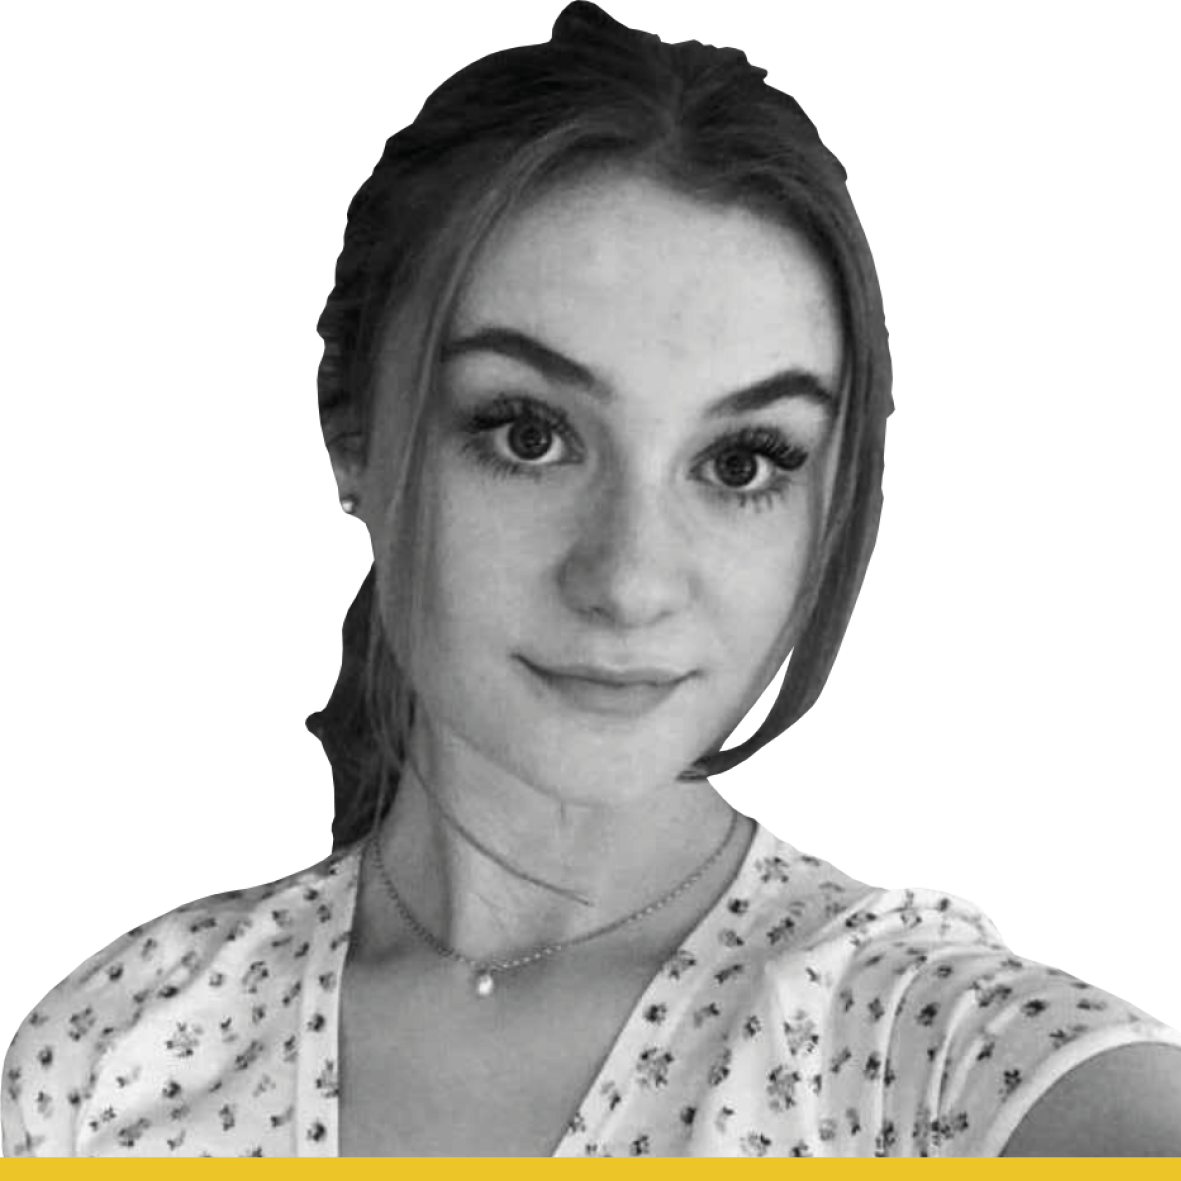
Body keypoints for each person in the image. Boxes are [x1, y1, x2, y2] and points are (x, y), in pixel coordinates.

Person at [4, 1, 1181, 1158]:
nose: (627, 579)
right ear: (350, 430)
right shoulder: (112, 1053)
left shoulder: (917, 1062)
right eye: (527, 434)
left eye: (739, 461)